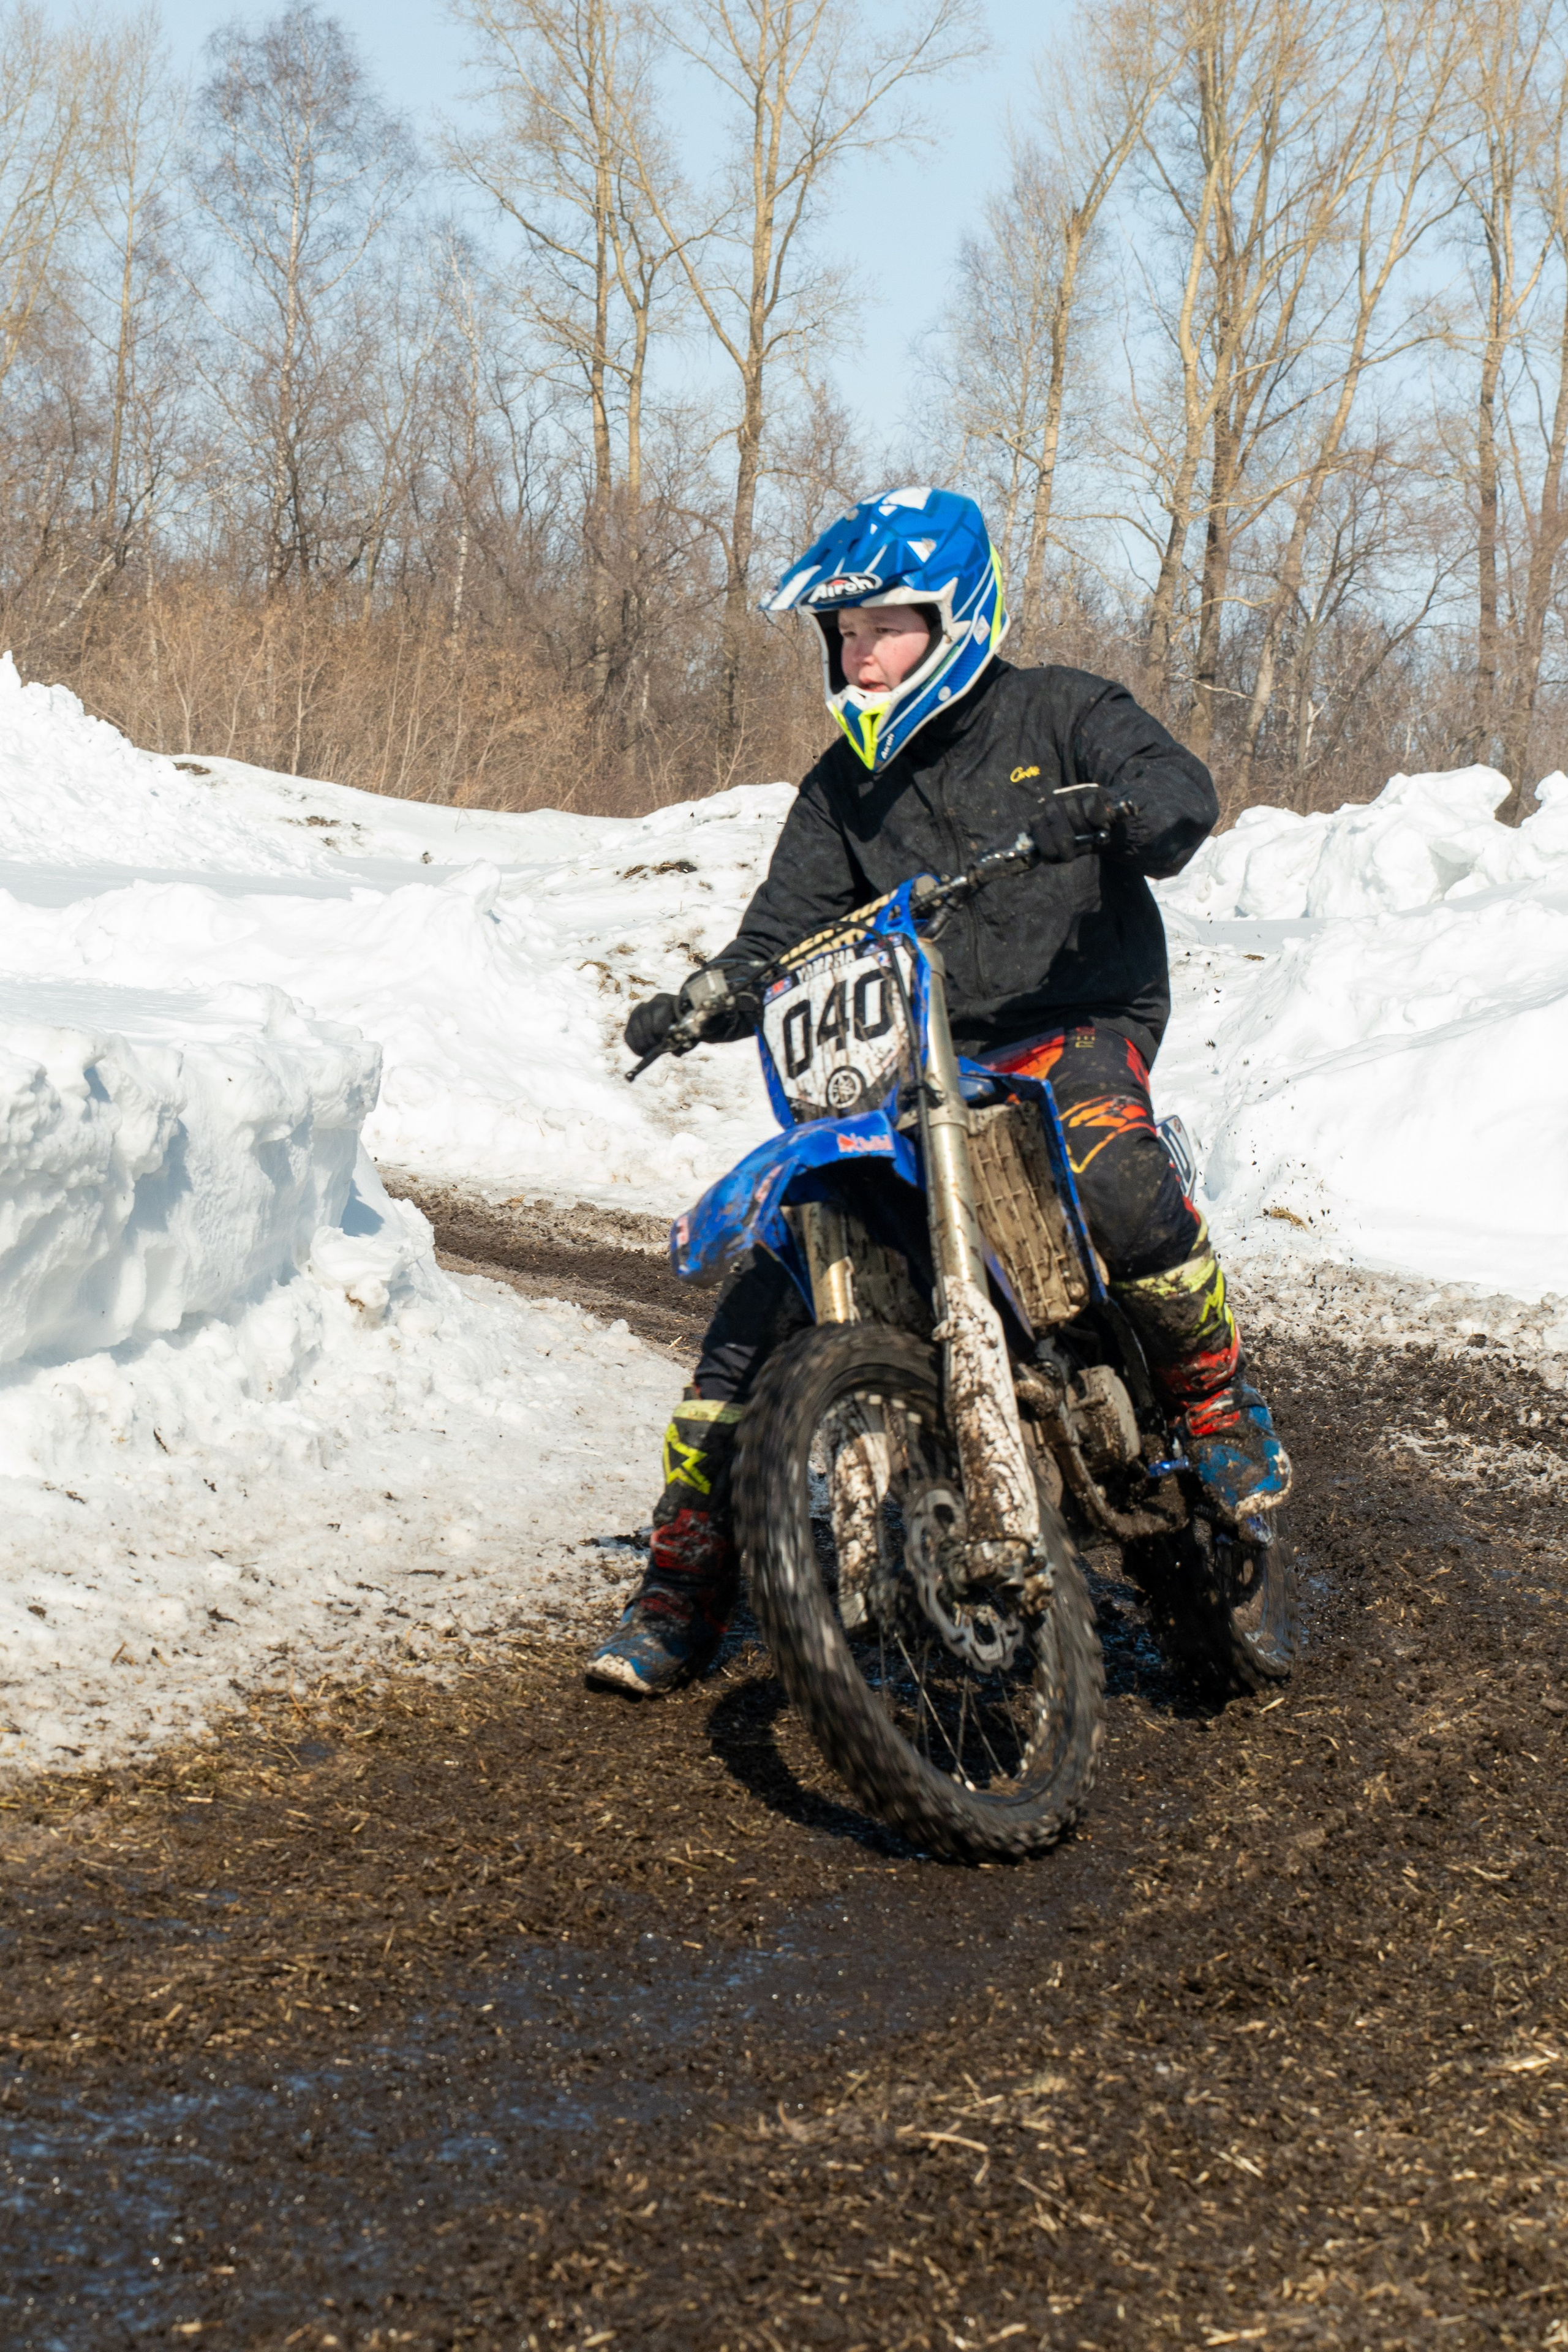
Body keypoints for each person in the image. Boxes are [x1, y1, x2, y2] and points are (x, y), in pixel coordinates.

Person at [587, 483, 1289, 1698]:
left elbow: (1181, 793)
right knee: (749, 1325)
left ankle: (1220, 1412)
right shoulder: (836, 791)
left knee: (1120, 1184)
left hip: (1070, 1021)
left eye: (882, 626)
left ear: (953, 617)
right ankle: (679, 1591)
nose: (857, 651)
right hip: (911, 1059)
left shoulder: (1060, 709)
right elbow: (783, 934)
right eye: (843, 632)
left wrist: (1115, 813)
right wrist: (709, 992)